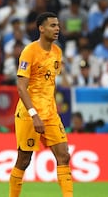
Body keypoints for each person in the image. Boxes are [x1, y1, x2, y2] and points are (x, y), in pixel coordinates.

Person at [9, 12, 73, 197]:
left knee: (64, 155)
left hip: (50, 113)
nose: (57, 29)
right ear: (41, 28)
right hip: (30, 114)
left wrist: (52, 106)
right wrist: (34, 114)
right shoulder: (29, 51)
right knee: (23, 160)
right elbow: (21, 87)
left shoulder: (57, 52)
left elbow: (49, 83)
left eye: (58, 25)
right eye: (53, 25)